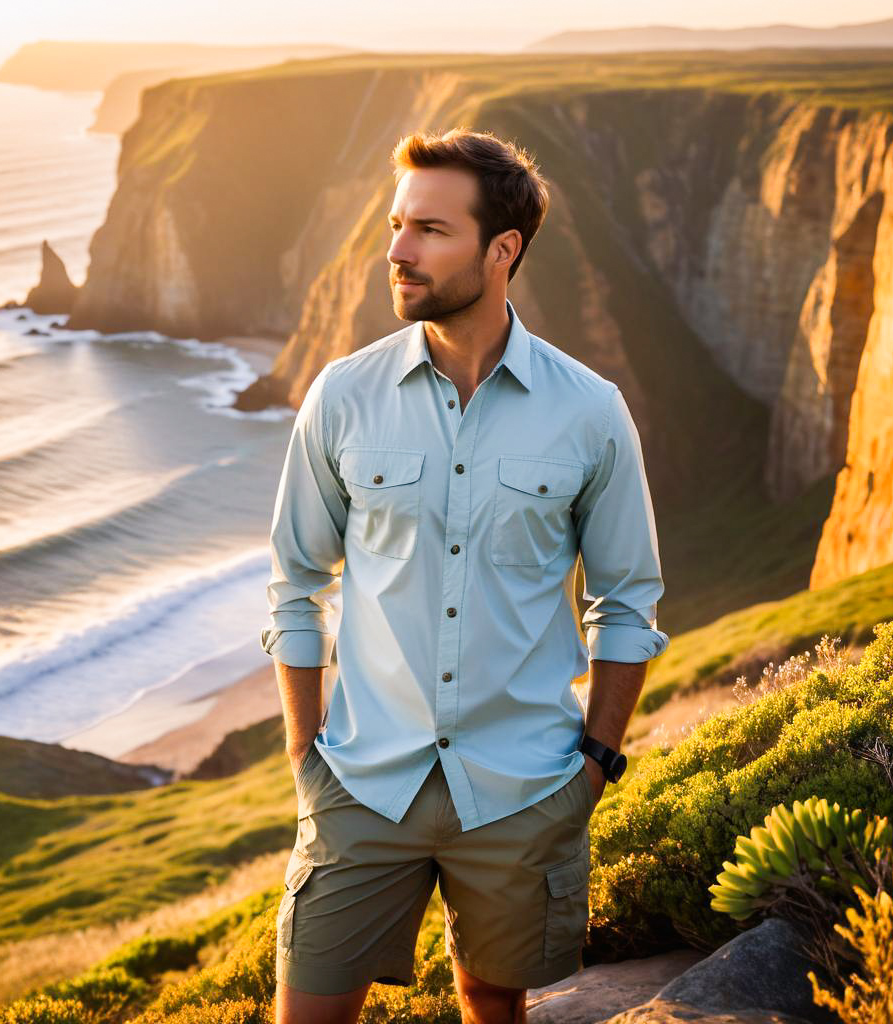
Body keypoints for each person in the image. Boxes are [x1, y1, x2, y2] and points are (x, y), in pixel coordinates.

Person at [259, 127, 670, 1024]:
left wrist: (593, 769)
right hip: (361, 785)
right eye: (398, 225)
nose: (397, 252)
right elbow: (295, 585)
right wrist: (304, 759)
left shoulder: (591, 413)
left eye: (430, 231)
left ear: (503, 249)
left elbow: (628, 603)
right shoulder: (342, 396)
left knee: (493, 1003)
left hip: (523, 789)